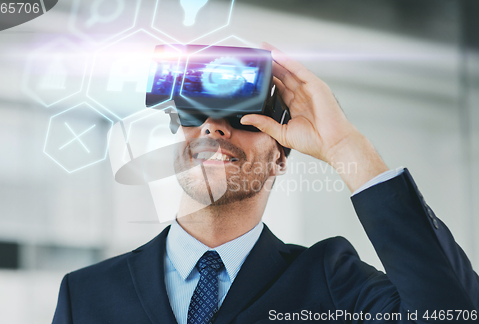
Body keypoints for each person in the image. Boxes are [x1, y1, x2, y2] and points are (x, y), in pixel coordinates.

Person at [52, 43, 479, 324]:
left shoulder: (331, 282)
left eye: (242, 117)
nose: (215, 130)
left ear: (280, 156)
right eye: (196, 113)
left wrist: (345, 146)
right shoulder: (86, 293)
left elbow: (453, 314)